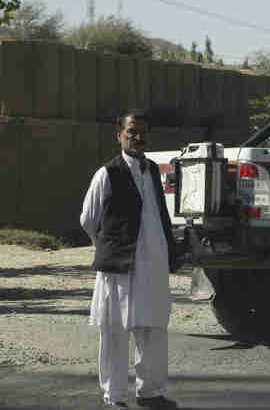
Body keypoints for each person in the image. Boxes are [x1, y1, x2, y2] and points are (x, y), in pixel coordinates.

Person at [80, 109, 182, 409]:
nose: (137, 137)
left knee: (153, 330)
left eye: (142, 132)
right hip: (119, 268)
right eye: (131, 132)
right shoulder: (107, 173)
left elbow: (158, 215)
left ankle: (150, 393)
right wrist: (109, 247)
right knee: (115, 332)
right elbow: (89, 218)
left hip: (153, 267)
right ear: (119, 135)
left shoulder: (151, 170)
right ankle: (115, 396)